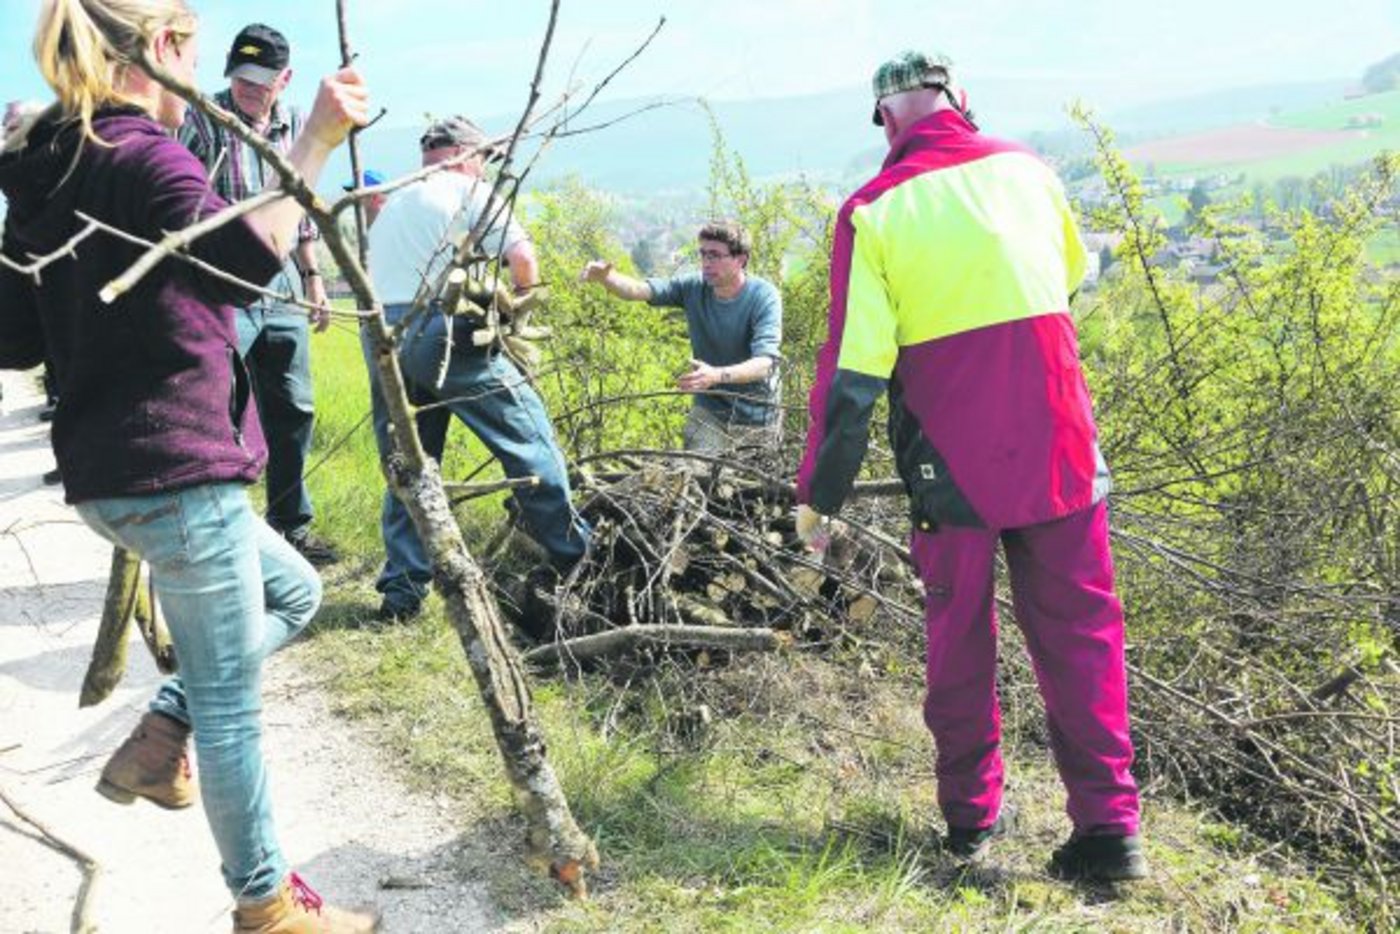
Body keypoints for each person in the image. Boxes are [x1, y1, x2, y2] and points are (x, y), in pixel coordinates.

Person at [0, 1, 377, 929]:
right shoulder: (143, 153)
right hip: (177, 470)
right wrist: (320, 140)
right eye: (191, 55)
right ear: (163, 50)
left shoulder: (48, 163)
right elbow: (247, 265)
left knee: (292, 594)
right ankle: (270, 912)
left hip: (109, 476)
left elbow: (10, 339)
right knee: (235, 710)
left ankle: (162, 730)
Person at [794, 50, 1146, 882]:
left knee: (960, 642)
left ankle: (970, 824)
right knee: (1085, 636)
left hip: (950, 465)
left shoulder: (872, 211)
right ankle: (1110, 832)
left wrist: (820, 498)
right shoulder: (1029, 170)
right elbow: (1066, 277)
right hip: (1062, 441)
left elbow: (852, 375)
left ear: (885, 119)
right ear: (962, 99)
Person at [364, 115, 590, 624]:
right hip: (439, 328)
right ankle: (579, 557)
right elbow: (523, 259)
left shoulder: (397, 197)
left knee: (409, 463)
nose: (485, 170)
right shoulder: (468, 189)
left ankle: (402, 592)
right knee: (527, 437)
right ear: (469, 155)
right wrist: (518, 314)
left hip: (381, 333)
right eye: (484, 161)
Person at [178, 22, 339, 566]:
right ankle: (222, 534)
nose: (248, 88)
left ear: (284, 79)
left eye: (260, 79)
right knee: (218, 408)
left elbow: (303, 203)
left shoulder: (296, 123)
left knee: (294, 407)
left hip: (285, 284)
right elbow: (181, 198)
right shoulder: (204, 118)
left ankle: (290, 527)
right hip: (225, 279)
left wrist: (313, 277)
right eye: (240, 77)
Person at [579, 220, 783, 453]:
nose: (706, 263)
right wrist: (607, 278)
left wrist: (717, 375)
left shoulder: (764, 296)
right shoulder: (693, 286)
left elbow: (766, 363)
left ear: (741, 259)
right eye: (703, 254)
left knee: (752, 488)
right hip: (710, 409)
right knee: (699, 476)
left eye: (715, 255)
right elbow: (638, 290)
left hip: (758, 414)